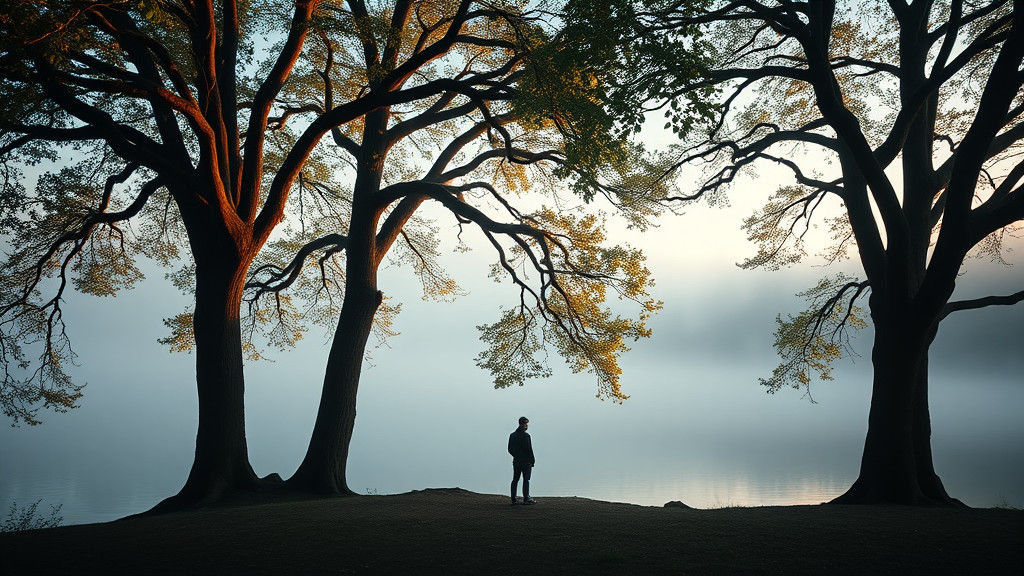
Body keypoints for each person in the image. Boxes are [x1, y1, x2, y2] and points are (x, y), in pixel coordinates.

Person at [508, 416, 535, 505]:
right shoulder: (526, 436)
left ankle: (513, 499)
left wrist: (516, 456)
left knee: (515, 479)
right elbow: (529, 450)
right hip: (526, 462)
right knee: (526, 480)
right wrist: (532, 460)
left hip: (516, 461)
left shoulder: (512, 435)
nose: (527, 426)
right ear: (523, 424)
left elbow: (510, 449)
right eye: (526, 425)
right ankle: (526, 498)